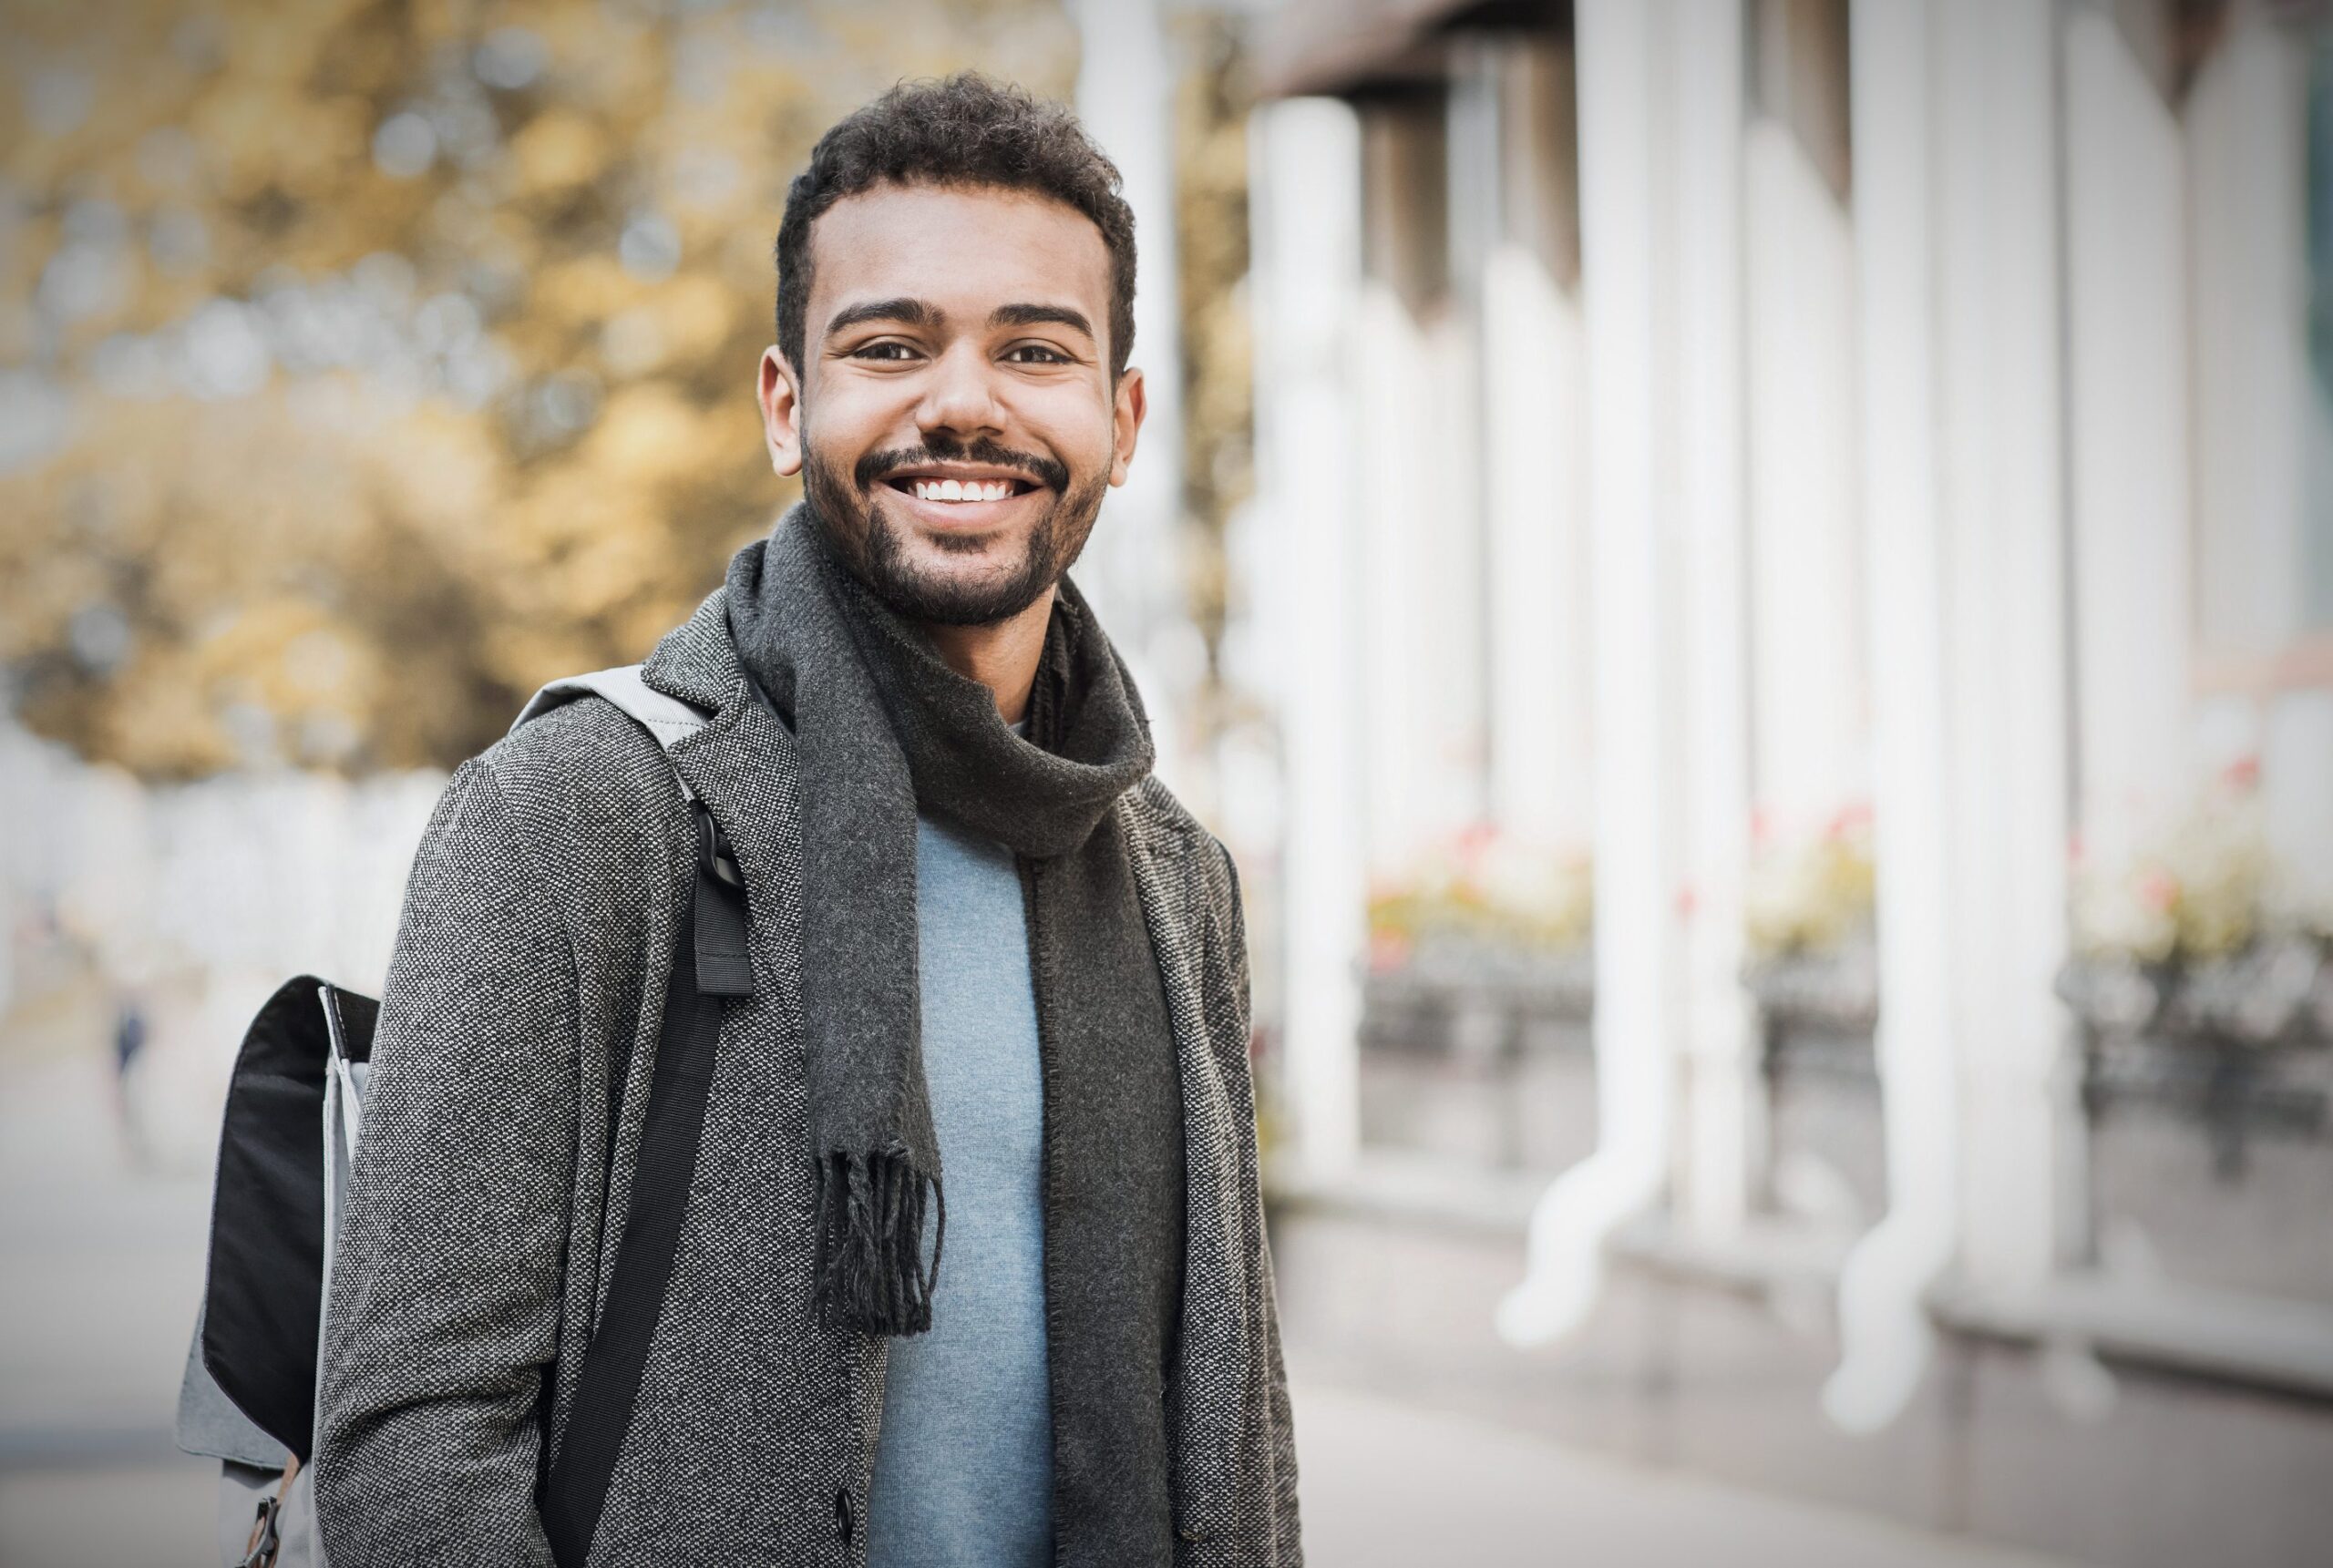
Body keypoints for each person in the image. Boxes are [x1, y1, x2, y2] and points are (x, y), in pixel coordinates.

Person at [313, 72, 1300, 1568]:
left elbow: (1242, 1432)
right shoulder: (577, 816)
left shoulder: (1174, 877)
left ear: (1121, 415)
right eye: (891, 345)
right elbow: (413, 1438)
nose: (962, 401)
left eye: (1034, 349)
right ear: (789, 404)